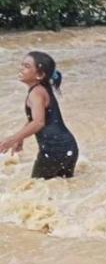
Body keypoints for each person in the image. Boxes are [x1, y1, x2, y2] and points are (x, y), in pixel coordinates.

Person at [0, 51, 78, 179]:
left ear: (40, 75)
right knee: (59, 188)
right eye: (22, 65)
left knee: (35, 188)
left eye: (27, 66)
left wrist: (12, 139)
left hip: (54, 150)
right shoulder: (41, 89)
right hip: (67, 147)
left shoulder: (36, 93)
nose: (21, 68)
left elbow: (38, 122)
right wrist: (20, 138)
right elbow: (35, 118)